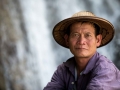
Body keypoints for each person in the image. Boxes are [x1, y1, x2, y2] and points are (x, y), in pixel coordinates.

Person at [43, 11, 120, 90]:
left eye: (88, 35)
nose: (81, 41)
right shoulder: (63, 70)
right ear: (67, 40)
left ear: (98, 40)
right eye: (75, 35)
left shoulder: (106, 70)